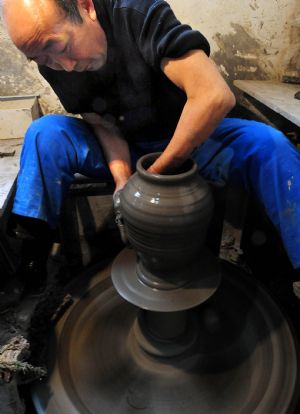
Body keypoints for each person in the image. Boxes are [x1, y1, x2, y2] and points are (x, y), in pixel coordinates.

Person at [2, 0, 300, 294]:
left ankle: (285, 274)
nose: (64, 67)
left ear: (86, 7)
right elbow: (102, 123)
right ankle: (32, 264)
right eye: (44, 60)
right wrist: (123, 181)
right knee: (44, 133)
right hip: (129, 145)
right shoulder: (52, 58)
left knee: (270, 145)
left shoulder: (137, 14)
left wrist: (152, 176)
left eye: (63, 48)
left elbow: (213, 96)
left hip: (191, 138)